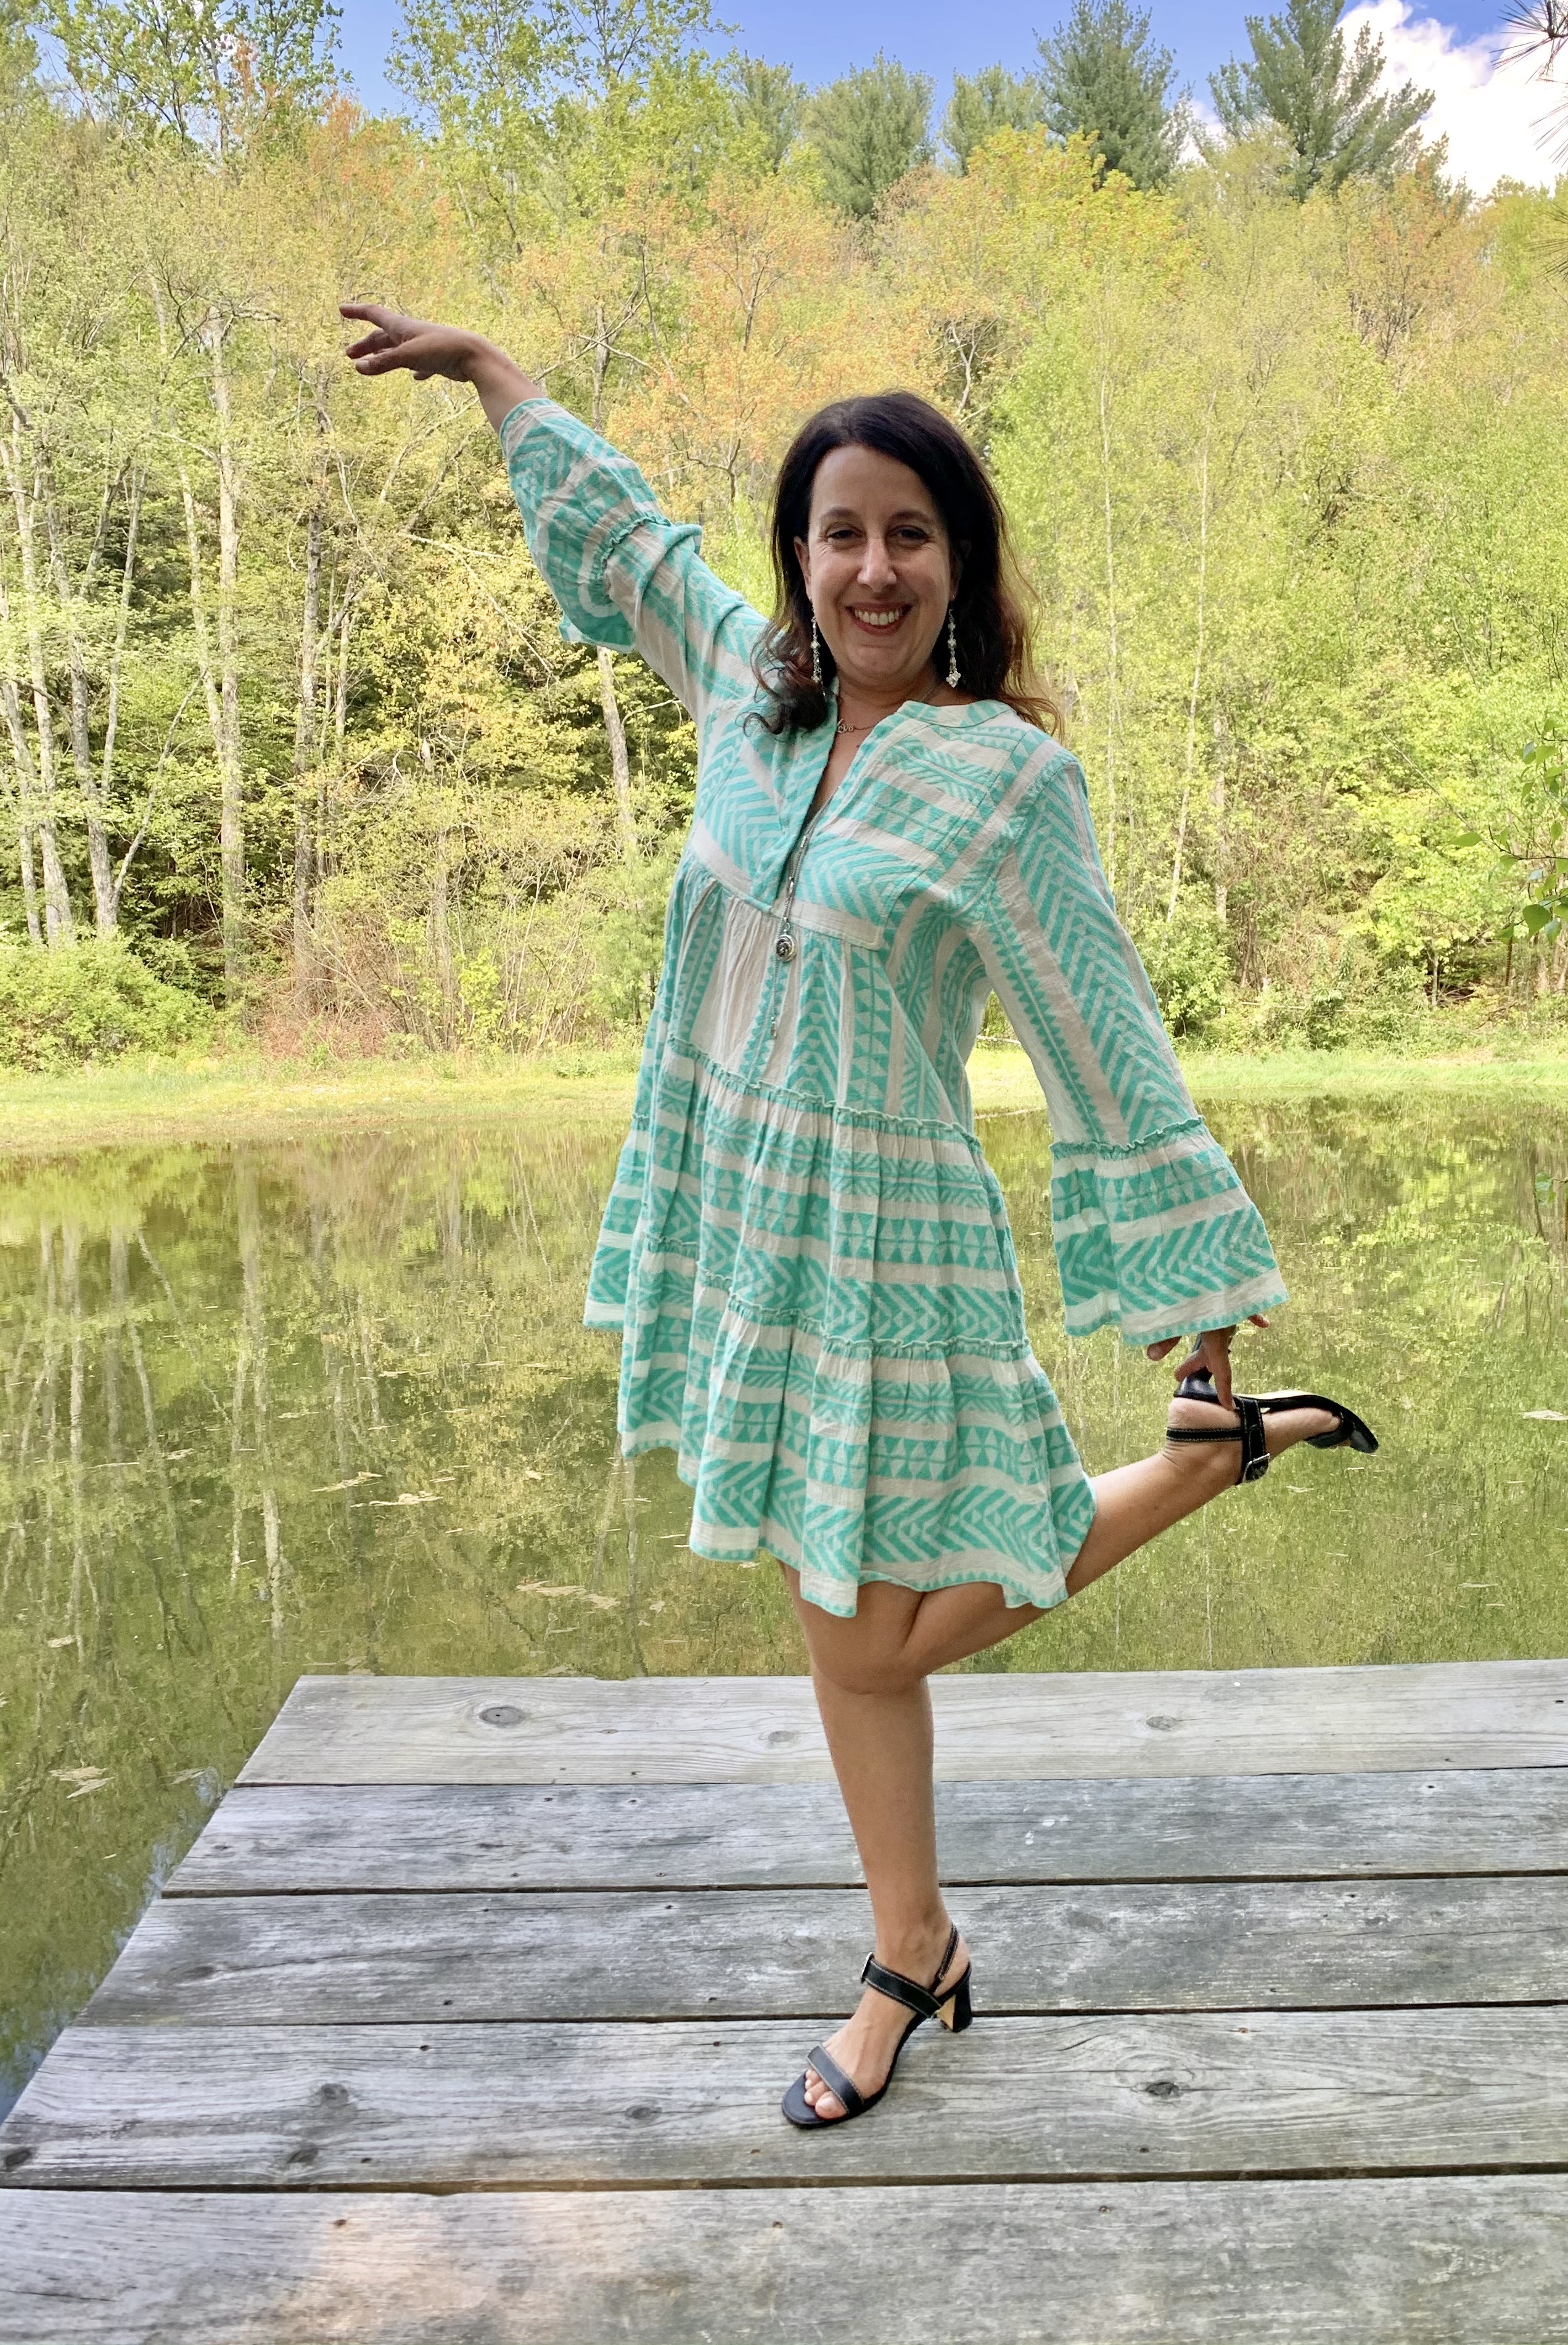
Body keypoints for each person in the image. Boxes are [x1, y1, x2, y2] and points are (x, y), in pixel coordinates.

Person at [342, 302, 1378, 2128]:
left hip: (893, 1243)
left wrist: (1197, 1291)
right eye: (841, 533)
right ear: (801, 559)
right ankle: (925, 1922)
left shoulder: (1006, 780)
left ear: (959, 565)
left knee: (864, 1633)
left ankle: (930, 1922)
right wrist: (499, 380)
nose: (873, 568)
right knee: (854, 1624)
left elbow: (1101, 1034)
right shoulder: (749, 700)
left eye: (910, 533)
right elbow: (629, 548)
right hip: (742, 1222)